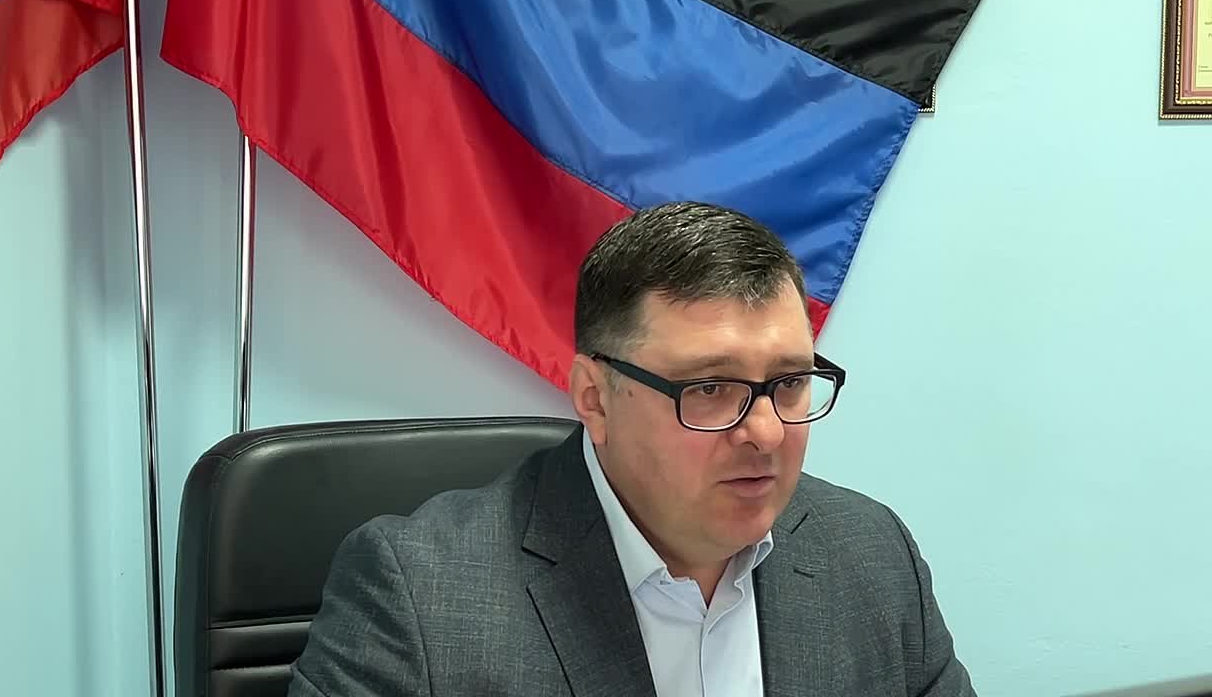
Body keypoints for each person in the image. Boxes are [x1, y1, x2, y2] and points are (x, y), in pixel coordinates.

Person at [287, 201, 973, 696]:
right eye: (710, 388)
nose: (766, 433)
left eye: (789, 383)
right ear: (594, 397)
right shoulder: (418, 597)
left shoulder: (871, 554)